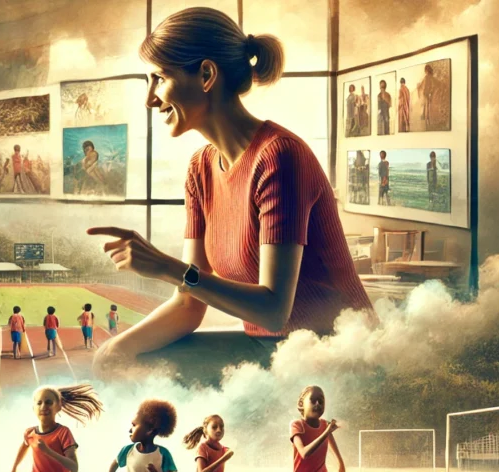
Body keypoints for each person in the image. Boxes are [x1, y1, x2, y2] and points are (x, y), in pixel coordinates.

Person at [88, 9, 372, 376]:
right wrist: (112, 351)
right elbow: (188, 305)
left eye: (159, 78)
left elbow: (273, 311)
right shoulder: (200, 168)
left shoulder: (280, 157)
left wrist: (166, 266)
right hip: (273, 349)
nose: (150, 99)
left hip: (335, 356)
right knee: (125, 359)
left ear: (207, 75)